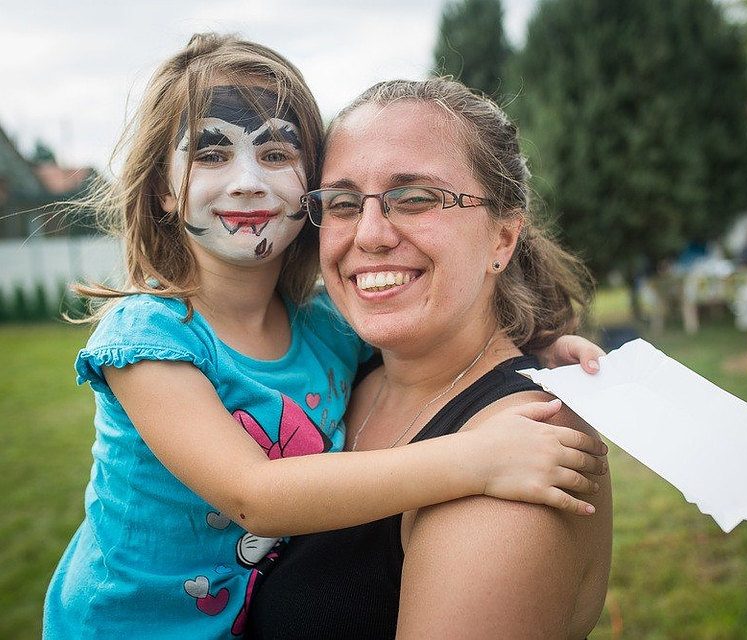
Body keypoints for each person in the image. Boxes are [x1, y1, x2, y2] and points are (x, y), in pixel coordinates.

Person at [43, 35, 608, 639]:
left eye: (275, 153)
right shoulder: (150, 335)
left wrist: (542, 346)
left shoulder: (326, 330)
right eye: (210, 156)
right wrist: (474, 459)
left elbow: (471, 346)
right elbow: (254, 494)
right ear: (161, 186)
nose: (246, 183)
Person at [247, 79, 613, 639]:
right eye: (342, 203)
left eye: (416, 197)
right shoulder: (345, 370)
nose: (368, 235)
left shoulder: (525, 451)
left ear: (503, 237)